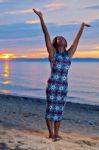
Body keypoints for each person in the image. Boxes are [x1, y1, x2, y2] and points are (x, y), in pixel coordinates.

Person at [33, 8, 91, 141]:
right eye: (59, 38)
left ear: (65, 43)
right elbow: (46, 35)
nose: (62, 39)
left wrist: (81, 26)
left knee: (59, 110)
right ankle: (51, 134)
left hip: (63, 86)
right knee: (51, 109)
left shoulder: (68, 54)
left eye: (63, 38)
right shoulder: (53, 54)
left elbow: (76, 41)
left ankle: (57, 133)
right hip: (53, 85)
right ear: (56, 42)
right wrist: (41, 18)